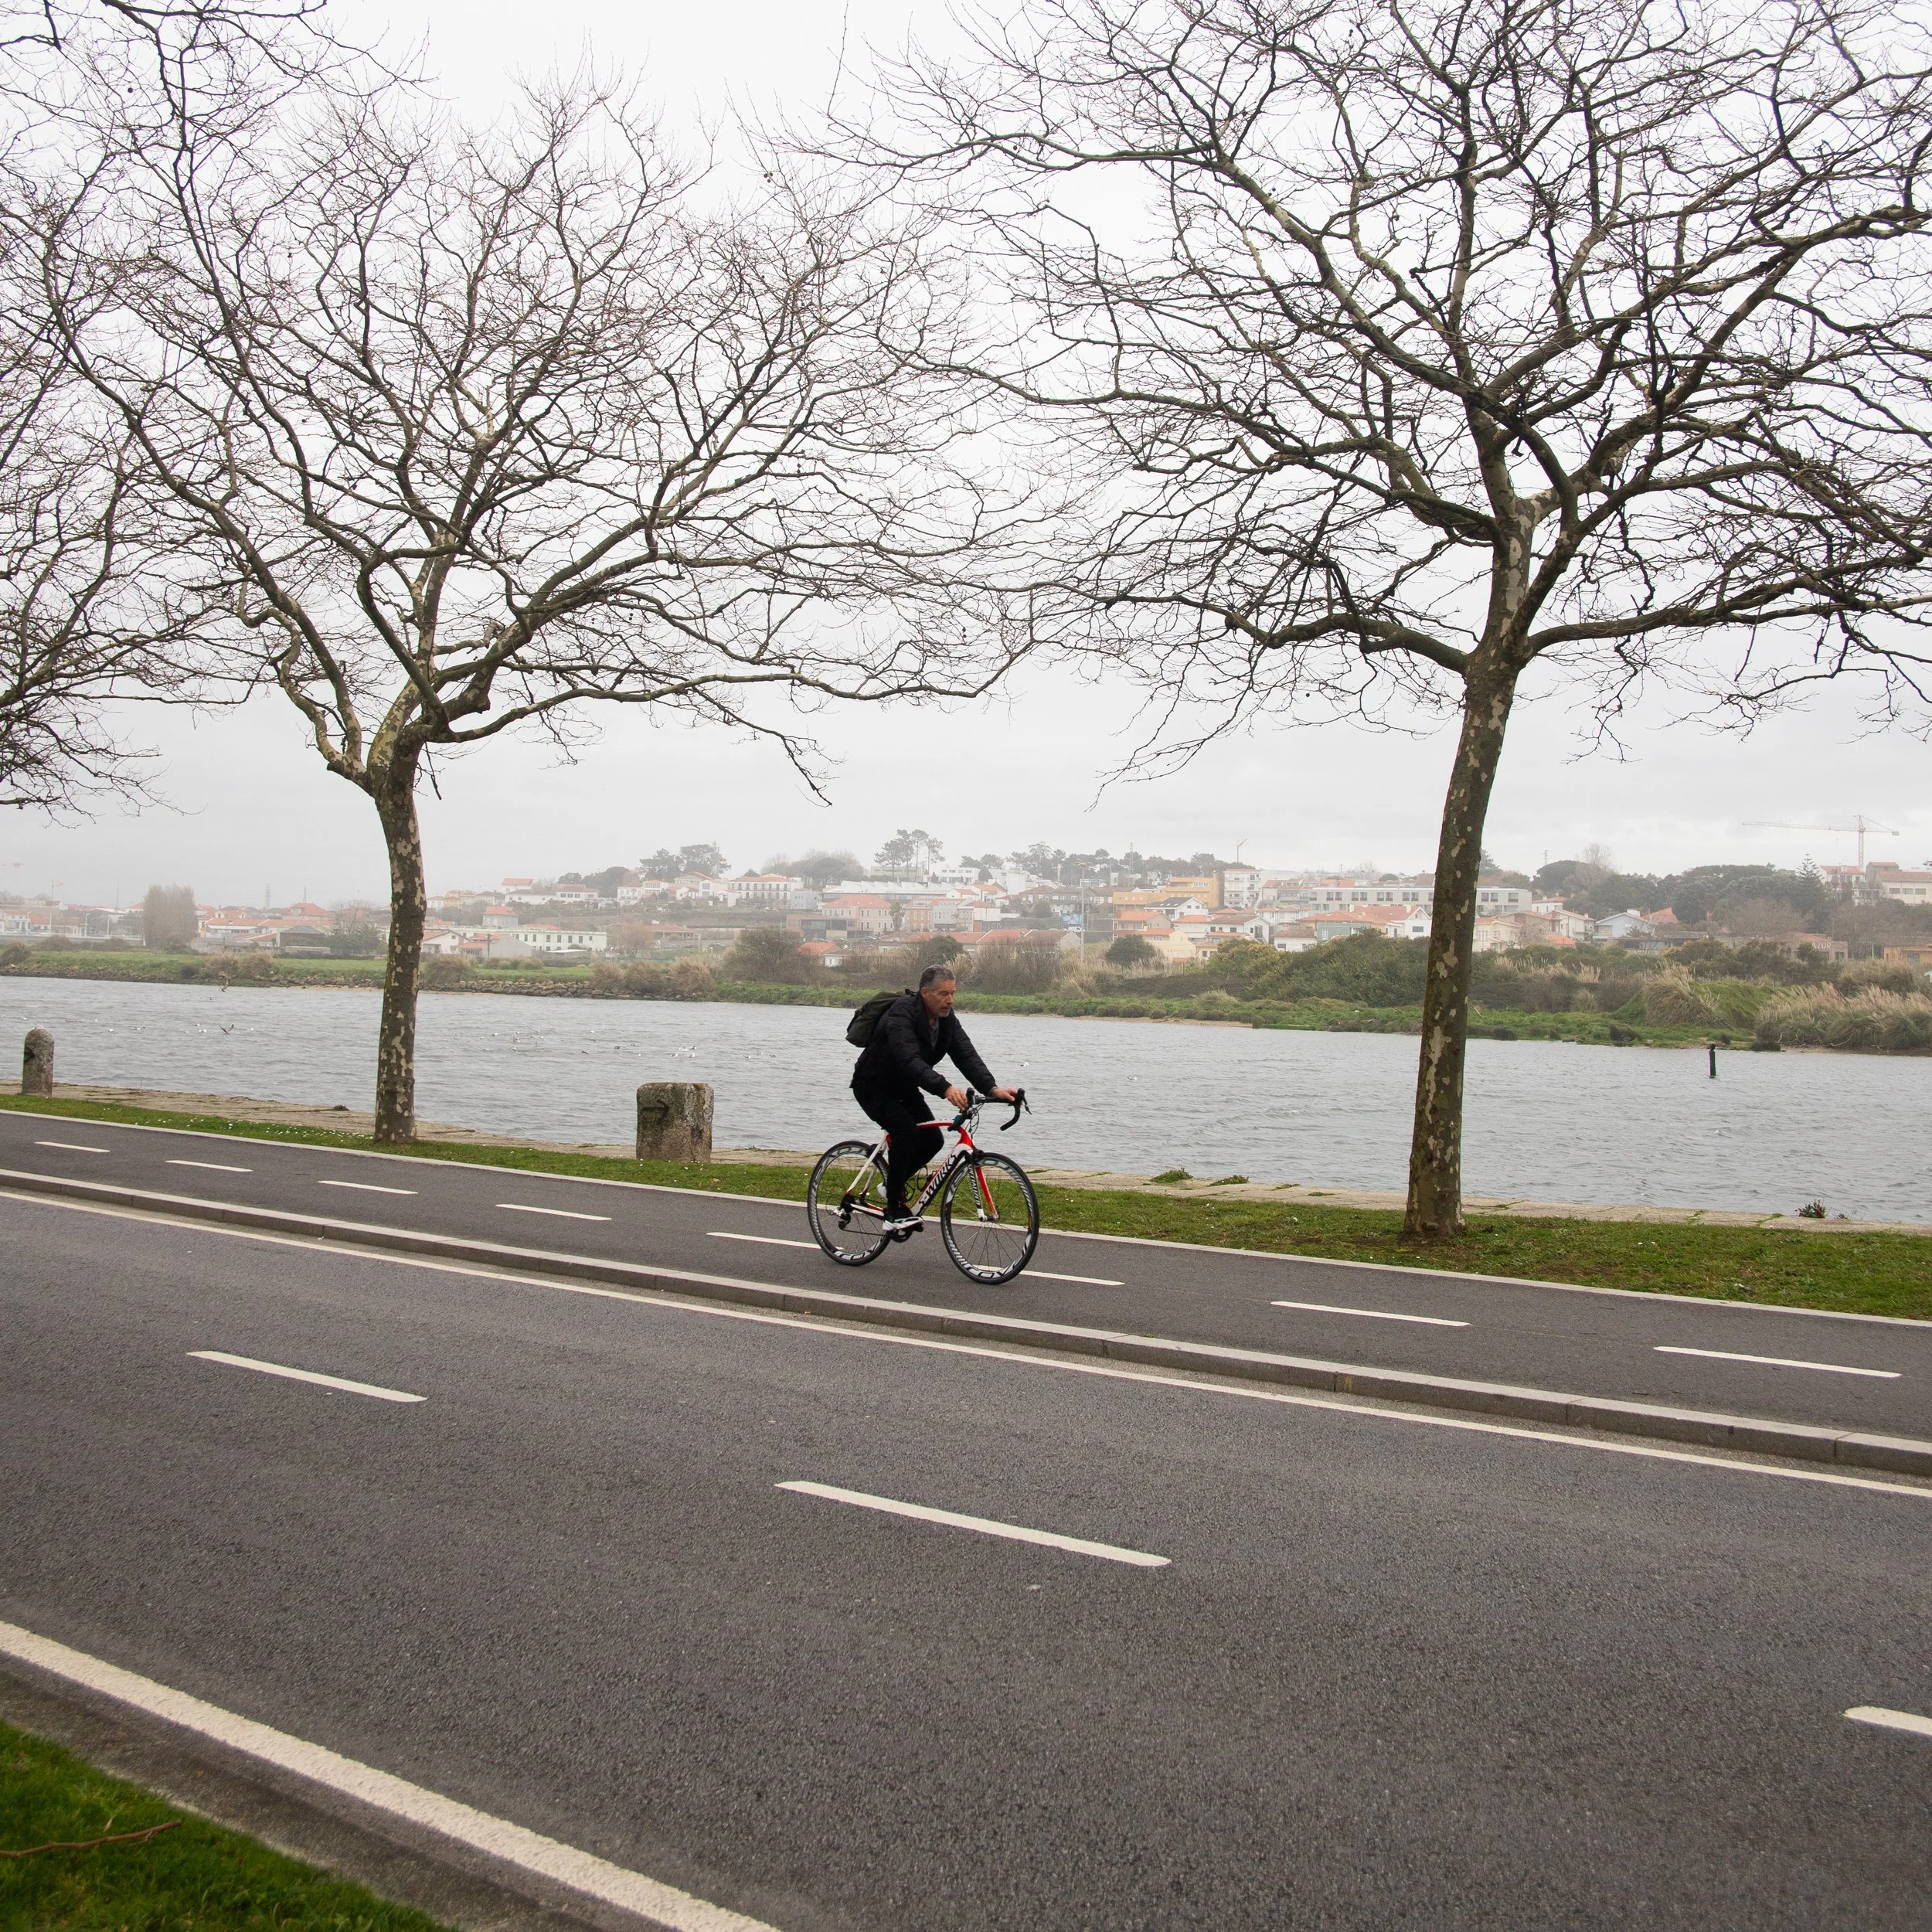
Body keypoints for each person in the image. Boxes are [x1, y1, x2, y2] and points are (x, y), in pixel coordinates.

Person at [852, 964, 1018, 1231]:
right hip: (873, 1086)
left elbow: (966, 1055)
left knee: (933, 1140)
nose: (949, 1000)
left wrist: (992, 1089)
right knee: (906, 1132)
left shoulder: (946, 1020)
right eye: (943, 994)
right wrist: (946, 1088)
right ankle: (893, 1212)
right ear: (925, 992)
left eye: (953, 994)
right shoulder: (901, 1013)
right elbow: (909, 1060)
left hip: (904, 1088)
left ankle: (890, 1185)